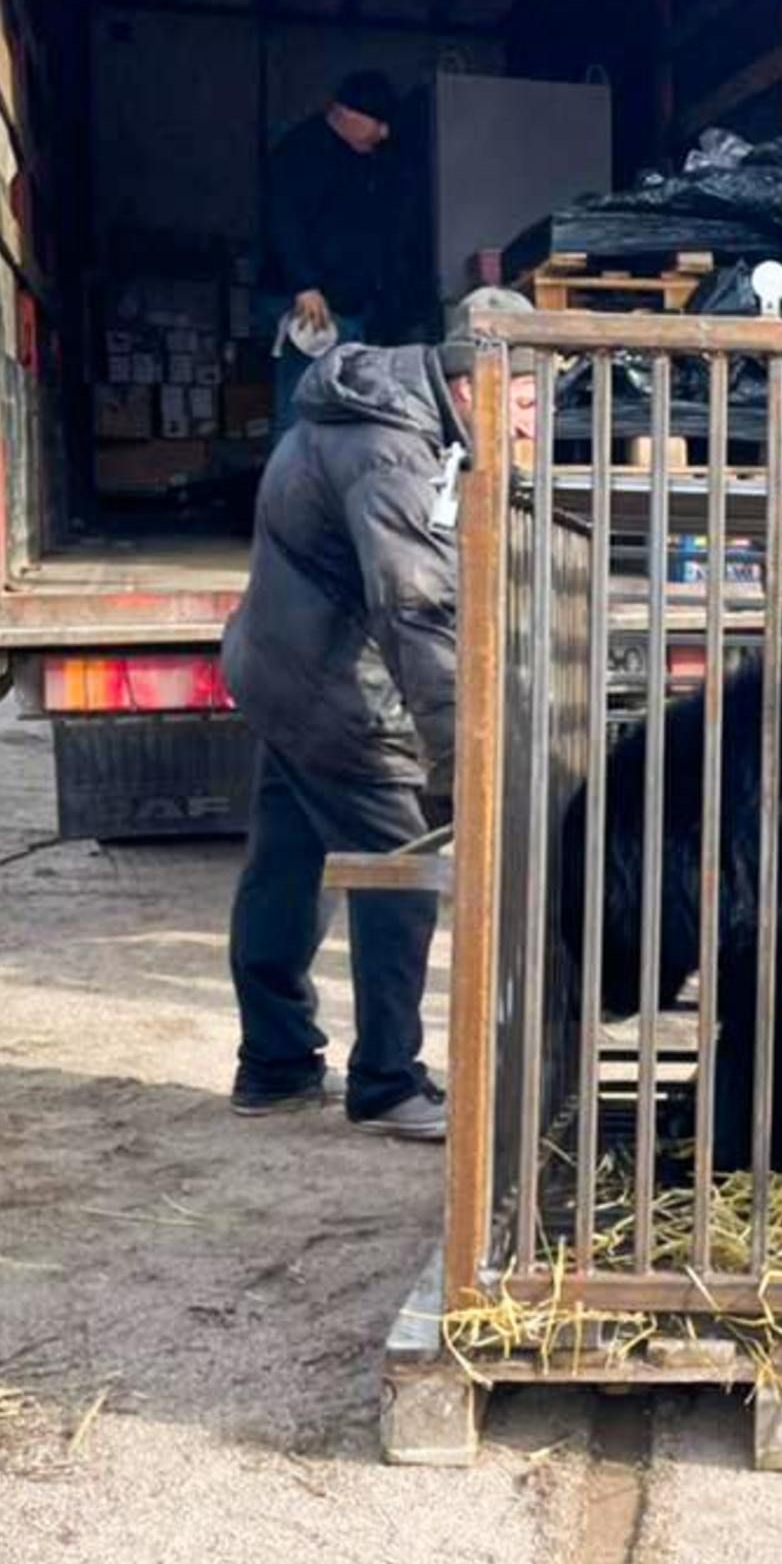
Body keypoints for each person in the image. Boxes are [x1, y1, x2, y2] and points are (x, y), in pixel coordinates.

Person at [220, 287, 541, 1140]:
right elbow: (417, 608)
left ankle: (276, 1062)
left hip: (279, 670)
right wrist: (462, 758)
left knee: (286, 863)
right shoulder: (393, 452)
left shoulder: (374, 411)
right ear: (472, 379)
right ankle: (387, 1080)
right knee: (402, 870)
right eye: (522, 398)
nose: (529, 419)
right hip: (335, 693)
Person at [261, 68, 411, 428]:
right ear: (348, 114)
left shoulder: (366, 160)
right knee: (302, 404)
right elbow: (283, 221)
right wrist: (304, 285)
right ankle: (296, 483)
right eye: (378, 122)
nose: (384, 133)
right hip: (314, 305)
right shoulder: (300, 152)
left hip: (352, 306)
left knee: (343, 411)